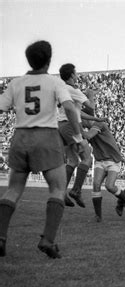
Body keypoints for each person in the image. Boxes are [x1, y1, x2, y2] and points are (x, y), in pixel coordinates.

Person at [0, 40, 82, 258]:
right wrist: (79, 137)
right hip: (46, 136)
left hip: (20, 136)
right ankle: (48, 239)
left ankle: (0, 237)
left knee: (14, 189)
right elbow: (69, 108)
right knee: (57, 188)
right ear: (49, 60)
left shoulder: (15, 83)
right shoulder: (55, 83)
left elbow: (1, 107)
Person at [57, 63, 101, 208]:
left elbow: (77, 111)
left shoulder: (63, 89)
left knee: (73, 160)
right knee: (87, 157)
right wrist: (91, 95)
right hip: (70, 126)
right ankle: (76, 190)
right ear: (71, 75)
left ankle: (61, 193)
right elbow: (91, 106)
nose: (77, 75)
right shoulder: (74, 90)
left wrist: (95, 120)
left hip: (61, 126)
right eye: (75, 73)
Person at [82, 120, 125, 222]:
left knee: (109, 186)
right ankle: (98, 216)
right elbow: (83, 141)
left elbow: (88, 136)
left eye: (80, 119)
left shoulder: (99, 124)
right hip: (100, 160)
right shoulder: (89, 129)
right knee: (96, 185)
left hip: (113, 160)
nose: (80, 122)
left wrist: (75, 128)